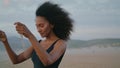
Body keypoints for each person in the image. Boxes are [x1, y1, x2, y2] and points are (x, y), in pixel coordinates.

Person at [0, 1, 73, 68]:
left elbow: (47, 61)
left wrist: (30, 35)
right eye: (37, 26)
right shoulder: (38, 43)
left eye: (41, 26)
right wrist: (5, 42)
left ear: (52, 24)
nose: (38, 30)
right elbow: (16, 60)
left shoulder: (60, 43)